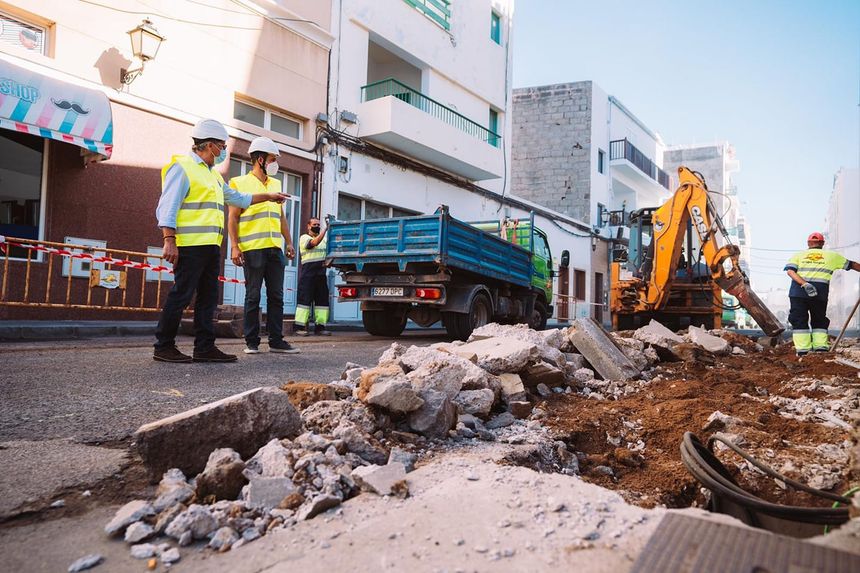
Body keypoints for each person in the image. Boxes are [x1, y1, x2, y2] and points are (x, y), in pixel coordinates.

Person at [153, 119, 287, 363]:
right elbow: (167, 207)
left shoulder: (212, 175)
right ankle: (164, 346)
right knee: (181, 295)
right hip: (190, 246)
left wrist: (268, 196)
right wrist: (169, 239)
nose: (223, 150)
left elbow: (237, 197)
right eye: (222, 145)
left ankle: (204, 348)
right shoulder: (182, 167)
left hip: (210, 247)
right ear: (210, 145)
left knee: (208, 297)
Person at [227, 137, 299, 355]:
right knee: (253, 295)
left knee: (276, 296)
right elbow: (232, 218)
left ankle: (277, 341)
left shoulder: (276, 185)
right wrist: (234, 246)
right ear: (260, 159)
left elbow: (281, 217)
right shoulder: (239, 183)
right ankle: (252, 342)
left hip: (274, 249)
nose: (275, 163)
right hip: (252, 248)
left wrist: (289, 241)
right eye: (272, 159)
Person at [784, 232, 860, 355]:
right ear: (822, 243)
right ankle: (820, 348)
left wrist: (804, 284)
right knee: (819, 321)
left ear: (808, 243)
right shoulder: (831, 256)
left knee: (799, 320)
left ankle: (803, 351)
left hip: (798, 294)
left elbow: (790, 272)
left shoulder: (798, 255)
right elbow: (853, 265)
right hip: (819, 295)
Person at [294, 217, 330, 336]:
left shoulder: (324, 241)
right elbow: (313, 244)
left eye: (318, 224)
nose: (317, 226)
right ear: (309, 226)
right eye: (315, 224)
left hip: (321, 274)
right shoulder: (304, 238)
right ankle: (300, 327)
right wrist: (325, 230)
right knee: (304, 301)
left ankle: (320, 327)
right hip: (308, 275)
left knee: (322, 302)